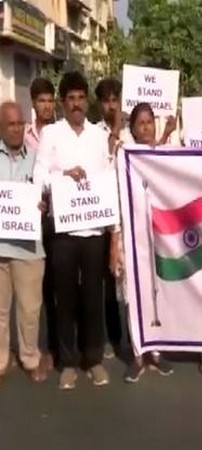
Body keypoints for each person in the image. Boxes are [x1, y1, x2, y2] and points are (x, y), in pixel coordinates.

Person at [33, 71, 114, 390]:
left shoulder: (97, 135)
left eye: (81, 98)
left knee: (93, 296)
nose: (77, 104)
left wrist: (114, 232)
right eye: (71, 99)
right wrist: (64, 176)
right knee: (64, 297)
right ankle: (67, 362)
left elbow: (108, 178)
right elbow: (40, 175)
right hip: (63, 231)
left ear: (86, 101)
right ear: (63, 103)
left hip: (94, 229)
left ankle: (92, 359)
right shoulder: (52, 134)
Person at [109, 102, 175, 382]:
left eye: (150, 122)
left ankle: (156, 352)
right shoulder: (124, 158)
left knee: (156, 292)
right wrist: (115, 241)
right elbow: (116, 196)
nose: (146, 127)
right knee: (131, 296)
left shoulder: (165, 154)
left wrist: (168, 134)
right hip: (131, 237)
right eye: (141, 123)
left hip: (160, 236)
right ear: (132, 130)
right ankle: (137, 354)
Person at [0, 102, 48, 383]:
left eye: (20, 123)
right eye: (10, 124)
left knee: (30, 308)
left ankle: (30, 357)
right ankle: (2, 358)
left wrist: (44, 204)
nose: (17, 129)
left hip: (29, 246)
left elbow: (49, 190)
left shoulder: (38, 158)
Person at [94, 78, 132, 360]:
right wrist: (112, 135)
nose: (111, 105)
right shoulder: (94, 135)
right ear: (99, 104)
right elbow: (100, 169)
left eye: (115, 99)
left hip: (130, 218)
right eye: (106, 100)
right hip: (104, 217)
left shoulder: (133, 135)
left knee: (133, 281)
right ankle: (113, 338)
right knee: (108, 281)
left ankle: (136, 339)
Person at [26, 77, 57, 371]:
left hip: (61, 217)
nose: (46, 106)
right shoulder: (23, 136)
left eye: (50, 100)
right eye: (41, 101)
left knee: (62, 282)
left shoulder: (61, 134)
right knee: (38, 286)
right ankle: (39, 346)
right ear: (33, 104)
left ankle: (59, 343)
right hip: (31, 220)